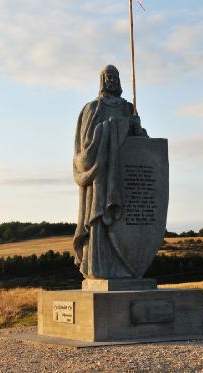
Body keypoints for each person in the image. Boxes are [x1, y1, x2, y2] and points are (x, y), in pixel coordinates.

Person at [73, 65, 147, 278]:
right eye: (109, 77)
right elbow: (87, 146)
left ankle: (124, 269)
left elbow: (139, 140)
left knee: (120, 222)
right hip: (101, 177)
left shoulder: (128, 108)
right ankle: (99, 266)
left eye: (116, 77)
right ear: (102, 80)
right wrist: (115, 126)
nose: (113, 81)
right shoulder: (93, 108)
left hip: (125, 179)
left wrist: (136, 127)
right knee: (100, 219)